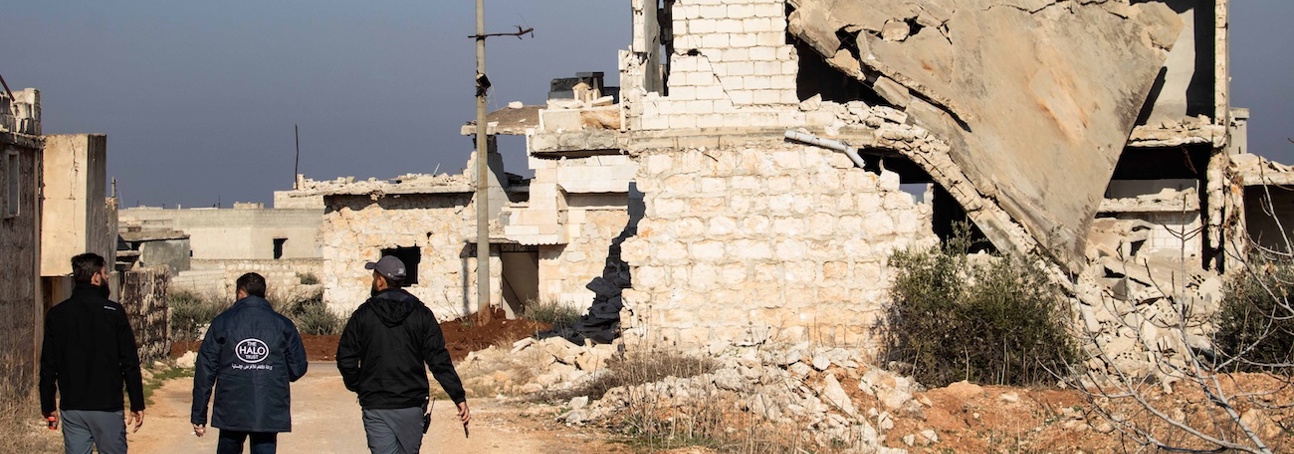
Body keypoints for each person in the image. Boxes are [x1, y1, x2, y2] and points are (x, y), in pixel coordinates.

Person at [337, 255, 470, 454]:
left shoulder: (363, 315)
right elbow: (438, 359)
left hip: (377, 406)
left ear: (380, 280)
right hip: (412, 406)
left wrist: (359, 384)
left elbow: (345, 357)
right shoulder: (421, 314)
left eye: (374, 276)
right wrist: (458, 396)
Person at [39, 252, 145, 454]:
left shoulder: (57, 314)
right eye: (105, 273)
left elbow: (48, 366)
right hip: (107, 406)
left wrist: (48, 405)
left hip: (72, 408)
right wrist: (136, 402)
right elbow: (129, 362)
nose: (107, 278)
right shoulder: (113, 312)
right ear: (95, 277)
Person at [191, 273, 308, 454]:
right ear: (263, 293)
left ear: (241, 293)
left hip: (231, 407)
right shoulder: (283, 325)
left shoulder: (223, 322)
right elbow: (297, 369)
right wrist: (274, 371)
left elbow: (205, 371)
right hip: (268, 408)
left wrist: (199, 414)